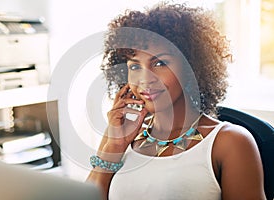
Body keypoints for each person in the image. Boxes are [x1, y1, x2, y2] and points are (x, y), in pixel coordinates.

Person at [87, 2, 266, 200]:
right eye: (135, 67)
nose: (145, 79)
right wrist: (113, 147)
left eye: (160, 63)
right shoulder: (122, 136)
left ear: (191, 68)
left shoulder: (230, 142)